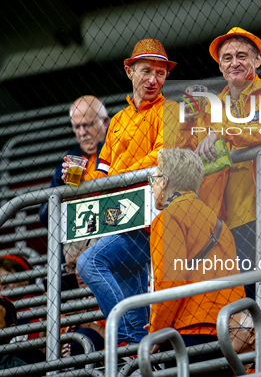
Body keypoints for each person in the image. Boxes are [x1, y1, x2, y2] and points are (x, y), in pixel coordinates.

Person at [77, 38, 177, 345]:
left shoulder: (171, 110)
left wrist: (117, 178)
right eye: (146, 70)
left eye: (160, 73)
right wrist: (80, 180)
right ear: (129, 71)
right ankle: (136, 351)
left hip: (149, 219)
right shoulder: (118, 120)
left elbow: (163, 156)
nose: (153, 79)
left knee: (89, 263)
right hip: (118, 216)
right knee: (139, 322)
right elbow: (102, 170)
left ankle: (118, 337)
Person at [193, 27, 261, 298]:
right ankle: (258, 336)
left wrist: (225, 132)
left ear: (257, 60)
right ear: (220, 66)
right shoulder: (210, 106)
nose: (235, 62)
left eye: (242, 55)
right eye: (227, 58)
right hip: (231, 222)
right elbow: (203, 152)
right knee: (245, 296)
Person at [147, 148, 245, 377]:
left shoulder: (168, 218)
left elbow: (170, 283)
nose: (153, 186)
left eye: (154, 179)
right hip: (224, 333)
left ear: (165, 182)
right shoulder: (218, 222)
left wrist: (156, 330)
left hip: (187, 335)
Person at [39, 95, 109, 226]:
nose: (82, 132)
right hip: (77, 232)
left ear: (105, 122)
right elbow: (44, 216)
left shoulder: (118, 150)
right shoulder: (69, 161)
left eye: (87, 125)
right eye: (77, 127)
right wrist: (64, 192)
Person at [60, 241, 104, 358]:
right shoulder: (70, 302)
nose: (77, 272)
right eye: (73, 266)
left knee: (84, 335)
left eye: (83, 264)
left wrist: (80, 318)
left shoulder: (111, 291)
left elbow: (118, 341)